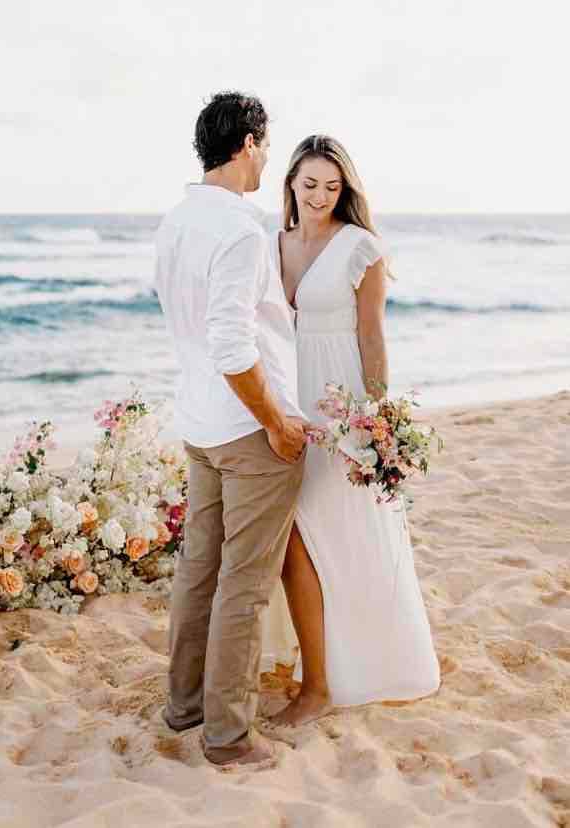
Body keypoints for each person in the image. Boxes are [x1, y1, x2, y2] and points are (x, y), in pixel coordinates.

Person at [154, 91, 317, 767]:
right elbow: (231, 344)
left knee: (200, 570)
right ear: (248, 144)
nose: (268, 159)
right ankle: (227, 736)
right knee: (245, 584)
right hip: (248, 429)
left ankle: (185, 705)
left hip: (200, 421)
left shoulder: (176, 221)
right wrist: (276, 422)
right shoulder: (243, 230)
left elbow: (184, 322)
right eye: (266, 146)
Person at [263, 135, 440, 726]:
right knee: (291, 535)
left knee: (337, 534)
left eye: (332, 187)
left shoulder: (361, 247)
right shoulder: (272, 243)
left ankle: (323, 684)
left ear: (346, 191)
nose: (319, 196)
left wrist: (376, 421)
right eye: (310, 184)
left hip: (339, 408)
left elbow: (372, 336)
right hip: (284, 402)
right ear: (291, 183)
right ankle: (313, 667)